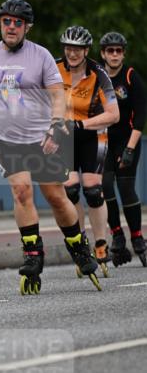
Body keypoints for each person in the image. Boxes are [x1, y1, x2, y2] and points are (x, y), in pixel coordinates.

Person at [0, 0, 102, 295]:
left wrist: (55, 126)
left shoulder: (41, 57)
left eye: (17, 22)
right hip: (5, 139)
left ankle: (78, 246)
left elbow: (56, 96)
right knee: (22, 190)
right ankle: (32, 256)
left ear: (27, 27)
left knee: (55, 195)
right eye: (6, 21)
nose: (11, 27)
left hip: (43, 138)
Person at [54, 26, 119, 276]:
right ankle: (80, 243)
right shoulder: (54, 68)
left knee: (92, 190)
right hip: (64, 137)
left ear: (86, 51)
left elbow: (114, 114)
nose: (72, 53)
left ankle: (101, 243)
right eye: (68, 48)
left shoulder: (98, 74)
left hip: (92, 133)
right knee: (70, 190)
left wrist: (81, 124)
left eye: (77, 49)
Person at [99, 31, 147, 267]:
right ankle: (117, 234)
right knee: (104, 186)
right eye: (110, 51)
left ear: (123, 53)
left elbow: (140, 116)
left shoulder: (130, 77)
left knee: (126, 187)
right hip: (103, 141)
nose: (115, 55)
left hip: (128, 140)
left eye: (119, 51)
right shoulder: (96, 77)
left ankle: (137, 237)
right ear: (103, 54)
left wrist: (130, 149)